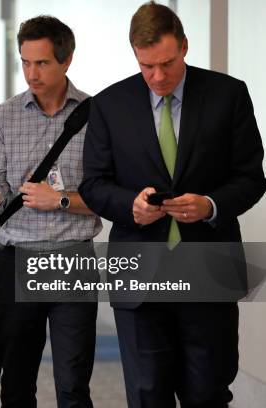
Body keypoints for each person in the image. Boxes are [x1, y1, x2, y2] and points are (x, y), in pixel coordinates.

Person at [78, 2, 266, 407]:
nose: (158, 76)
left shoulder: (228, 95)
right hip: (140, 276)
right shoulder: (109, 105)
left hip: (208, 270)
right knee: (148, 394)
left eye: (167, 63)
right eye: (147, 66)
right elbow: (93, 184)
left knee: (208, 393)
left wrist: (211, 204)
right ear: (134, 54)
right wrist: (132, 205)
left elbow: (252, 177)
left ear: (184, 46)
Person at [0, 16, 102, 407]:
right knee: (16, 384)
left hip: (71, 258)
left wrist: (60, 199)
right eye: (25, 62)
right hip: (17, 260)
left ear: (66, 60)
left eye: (41, 63)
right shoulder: (3, 117)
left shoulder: (96, 116)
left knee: (73, 385)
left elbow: (107, 196)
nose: (31, 73)